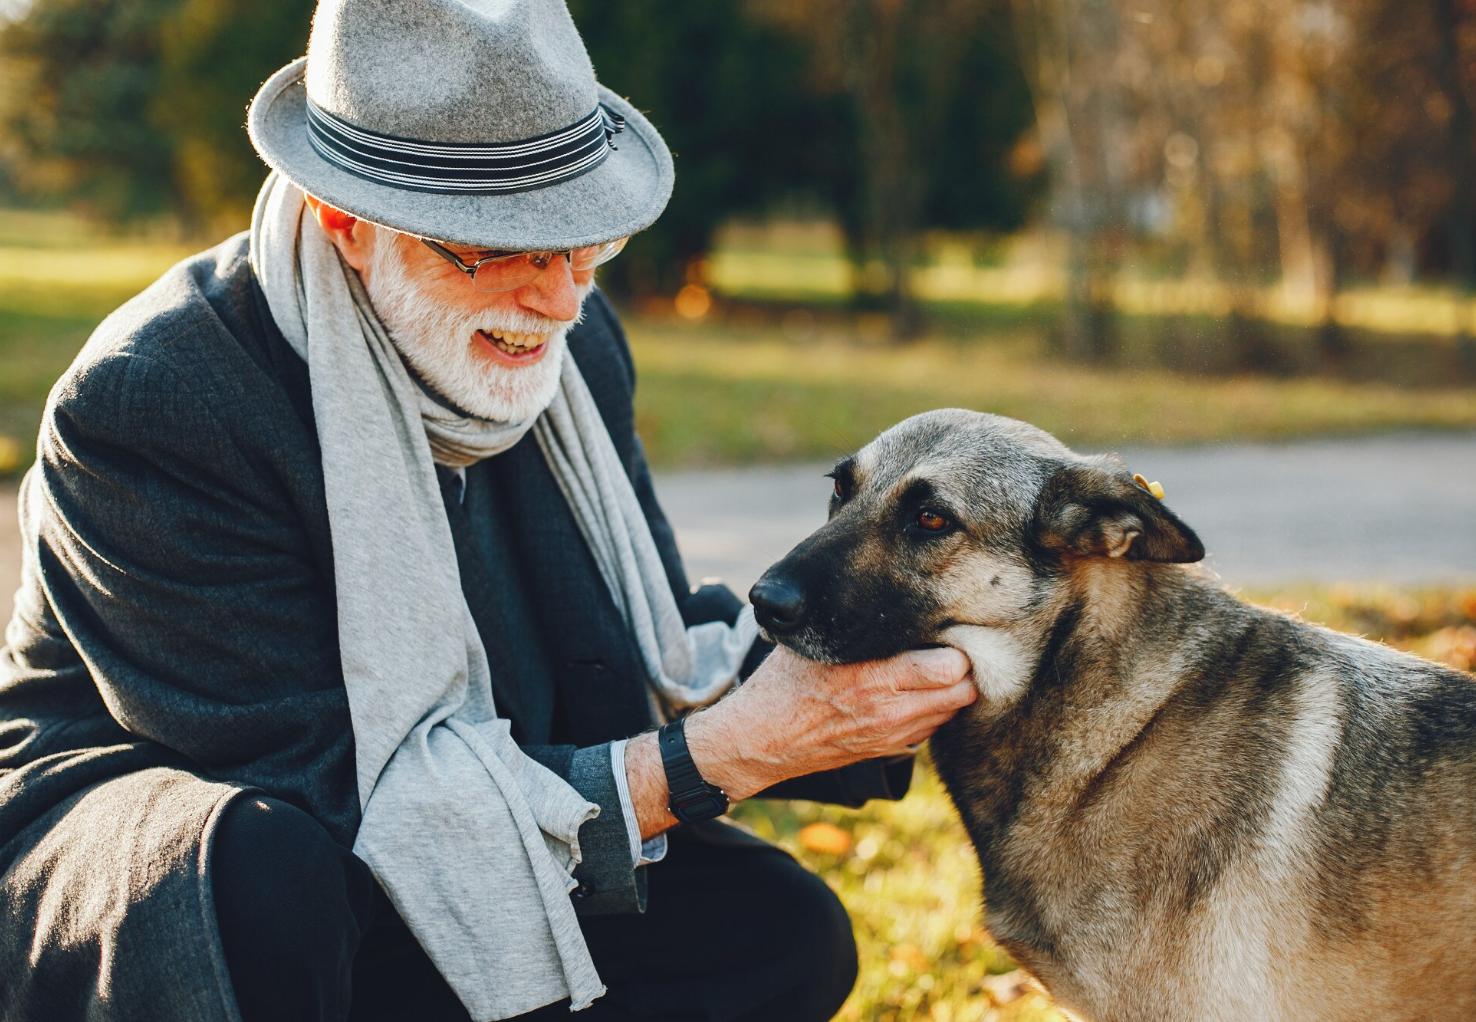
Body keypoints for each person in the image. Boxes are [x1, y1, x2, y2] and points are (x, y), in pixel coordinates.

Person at [0, 2, 977, 1020]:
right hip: (204, 864)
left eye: (581, 239)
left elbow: (640, 645)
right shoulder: (159, 398)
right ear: (347, 219)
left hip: (467, 805)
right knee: (262, 873)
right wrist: (724, 753)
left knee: (780, 929)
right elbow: (337, 803)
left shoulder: (576, 342)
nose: (558, 296)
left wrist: (920, 657)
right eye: (502, 244)